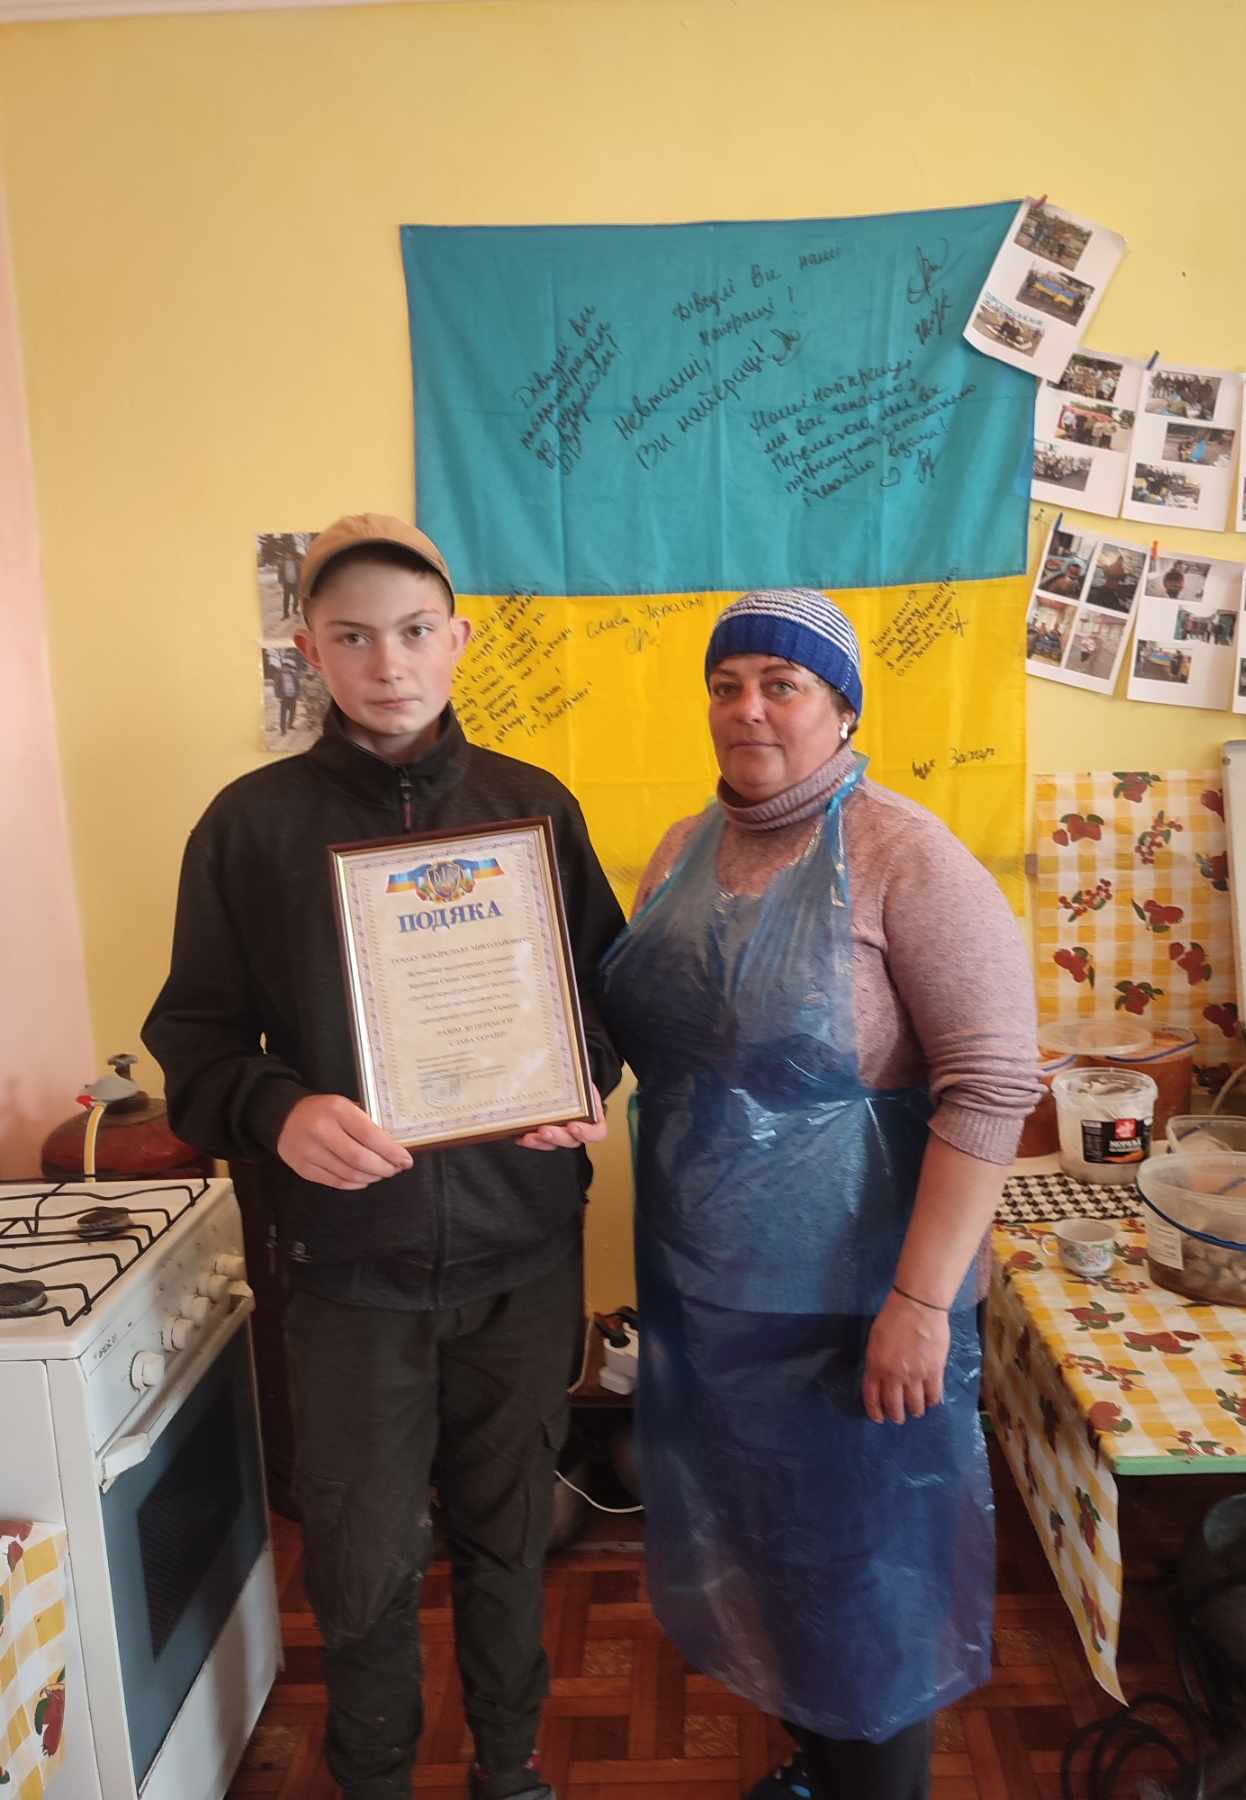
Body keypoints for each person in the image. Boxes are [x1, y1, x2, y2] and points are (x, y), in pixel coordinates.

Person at [144, 513, 626, 1800]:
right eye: (352, 637)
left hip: (523, 1254)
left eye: (414, 632)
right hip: (347, 1269)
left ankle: (511, 1770)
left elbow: (604, 1000)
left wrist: (583, 1080)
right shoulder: (250, 827)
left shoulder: (533, 807)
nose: (389, 662)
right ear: (310, 651)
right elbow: (193, 1040)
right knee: (360, 1556)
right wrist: (277, 1111)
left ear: (458, 638)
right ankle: (374, 1779)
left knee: (511, 1534)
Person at [596, 591, 1040, 1800]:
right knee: (773, 1560)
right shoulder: (683, 850)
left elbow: (994, 1086)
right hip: (708, 1298)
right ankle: (814, 1768)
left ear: (842, 710)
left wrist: (922, 1301)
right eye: (727, 683)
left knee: (869, 1589)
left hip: (861, 1311)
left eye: (782, 684)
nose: (749, 708)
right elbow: (648, 1044)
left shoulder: (907, 856)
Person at [274, 652, 300, 735]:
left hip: (293, 696)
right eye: (284, 667)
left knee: (293, 712)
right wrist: (278, 696)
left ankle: (290, 725)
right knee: (283, 714)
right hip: (284, 697)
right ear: (282, 668)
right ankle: (283, 730)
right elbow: (276, 687)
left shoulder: (293, 675)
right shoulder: (279, 675)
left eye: (287, 667)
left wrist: (297, 694)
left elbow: (297, 685)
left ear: (289, 668)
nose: (286, 668)